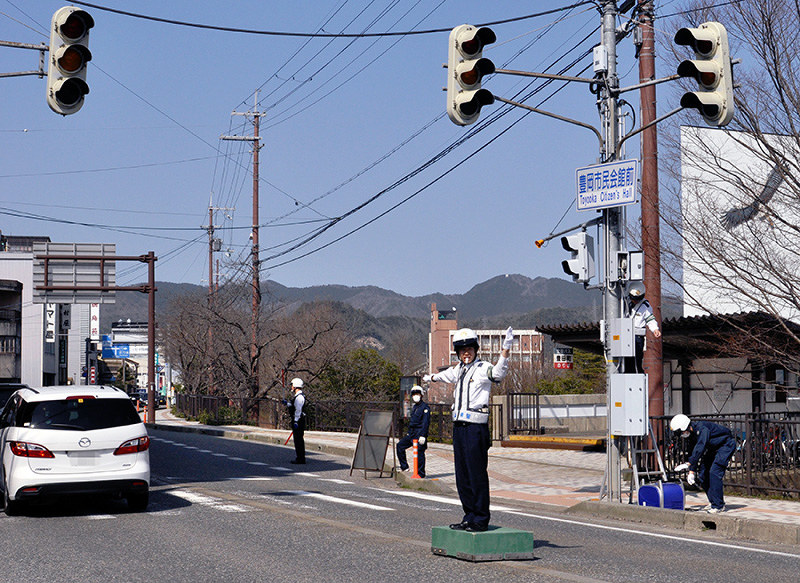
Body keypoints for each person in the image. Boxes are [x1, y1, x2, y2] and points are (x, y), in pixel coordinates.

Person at [424, 327, 512, 532]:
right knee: (462, 475)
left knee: (476, 473)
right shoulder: (459, 370)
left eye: (469, 349)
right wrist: (430, 378)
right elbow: (445, 376)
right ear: (458, 352)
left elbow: (498, 374)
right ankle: (469, 515)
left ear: (475, 349)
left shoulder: (483, 367)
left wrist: (505, 350)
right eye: (462, 350)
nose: (466, 353)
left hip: (475, 428)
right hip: (459, 428)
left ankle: (481, 518)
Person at [671, 413, 736, 513]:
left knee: (714, 472)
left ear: (685, 427)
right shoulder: (692, 435)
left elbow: (701, 446)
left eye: (681, 432)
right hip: (713, 448)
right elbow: (693, 451)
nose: (681, 435)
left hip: (725, 446)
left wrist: (689, 464)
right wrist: (691, 471)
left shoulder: (702, 429)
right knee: (703, 474)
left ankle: (718, 505)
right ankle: (713, 501)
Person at [626, 281, 661, 373]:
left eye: (637, 299)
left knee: (636, 360)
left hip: (637, 337)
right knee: (626, 361)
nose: (635, 301)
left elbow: (650, 319)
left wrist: (655, 329)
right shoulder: (624, 303)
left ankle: (637, 375)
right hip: (625, 335)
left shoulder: (645, 306)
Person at [396, 385, 430, 477]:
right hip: (412, 433)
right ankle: (404, 466)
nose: (415, 396)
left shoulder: (425, 407)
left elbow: (425, 423)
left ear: (421, 395)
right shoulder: (415, 407)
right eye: (414, 394)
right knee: (400, 446)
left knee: (420, 453)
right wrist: (409, 432)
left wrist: (423, 435)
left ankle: (421, 473)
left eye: (417, 394)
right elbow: (412, 421)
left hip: (420, 433)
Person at [287, 377, 307, 464]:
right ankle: (299, 457)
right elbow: (293, 406)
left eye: (292, 385)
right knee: (297, 439)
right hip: (297, 420)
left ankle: (300, 458)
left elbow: (298, 410)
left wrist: (295, 421)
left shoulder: (299, 398)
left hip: (298, 420)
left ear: (295, 386)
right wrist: (287, 404)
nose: (291, 387)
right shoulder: (297, 397)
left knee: (298, 440)